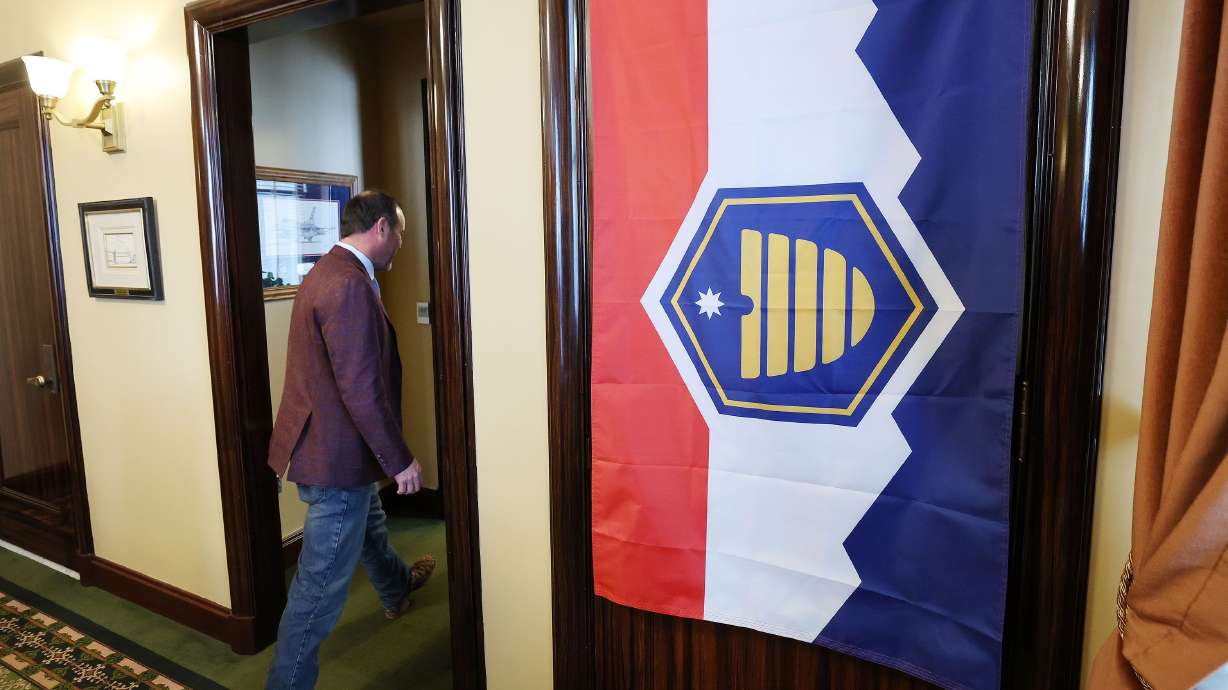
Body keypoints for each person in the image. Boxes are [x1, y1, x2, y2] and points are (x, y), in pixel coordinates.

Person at [265, 190, 435, 690]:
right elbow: (360, 386)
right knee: (317, 591)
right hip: (335, 459)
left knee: (371, 526)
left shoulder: (326, 272)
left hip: (324, 445)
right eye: (400, 232)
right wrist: (400, 460)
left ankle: (396, 588)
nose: (401, 244)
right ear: (381, 227)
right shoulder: (350, 286)